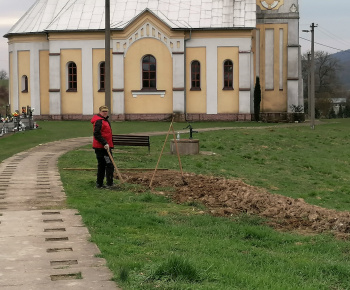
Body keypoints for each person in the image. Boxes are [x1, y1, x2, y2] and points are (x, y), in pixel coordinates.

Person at [91, 105, 114, 188]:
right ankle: (108, 183)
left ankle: (101, 183)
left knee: (105, 164)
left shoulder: (105, 120)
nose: (105, 112)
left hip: (105, 146)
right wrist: (104, 143)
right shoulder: (99, 121)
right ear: (100, 112)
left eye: (106, 111)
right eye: (103, 111)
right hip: (101, 148)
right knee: (108, 164)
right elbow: (96, 134)